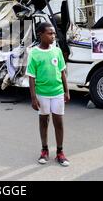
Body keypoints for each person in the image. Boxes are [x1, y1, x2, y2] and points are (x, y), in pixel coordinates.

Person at [26, 22, 71, 167]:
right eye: (50, 34)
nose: (53, 36)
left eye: (54, 34)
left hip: (57, 92)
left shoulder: (57, 51)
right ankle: (44, 150)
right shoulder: (33, 53)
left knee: (59, 122)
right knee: (44, 121)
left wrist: (66, 90)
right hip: (42, 93)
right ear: (41, 35)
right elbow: (31, 76)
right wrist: (33, 97)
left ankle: (60, 152)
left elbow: (62, 72)